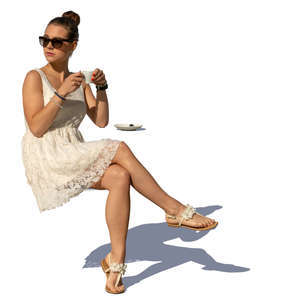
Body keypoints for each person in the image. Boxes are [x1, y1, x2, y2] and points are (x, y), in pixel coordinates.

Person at [21, 10, 218, 294]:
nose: (49, 47)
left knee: (120, 176)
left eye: (57, 42)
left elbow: (100, 120)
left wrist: (100, 88)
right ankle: (174, 210)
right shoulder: (34, 77)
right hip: (47, 156)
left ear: (73, 45)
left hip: (71, 149)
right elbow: (37, 128)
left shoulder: (79, 79)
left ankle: (116, 264)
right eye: (44, 40)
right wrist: (61, 92)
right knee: (121, 147)